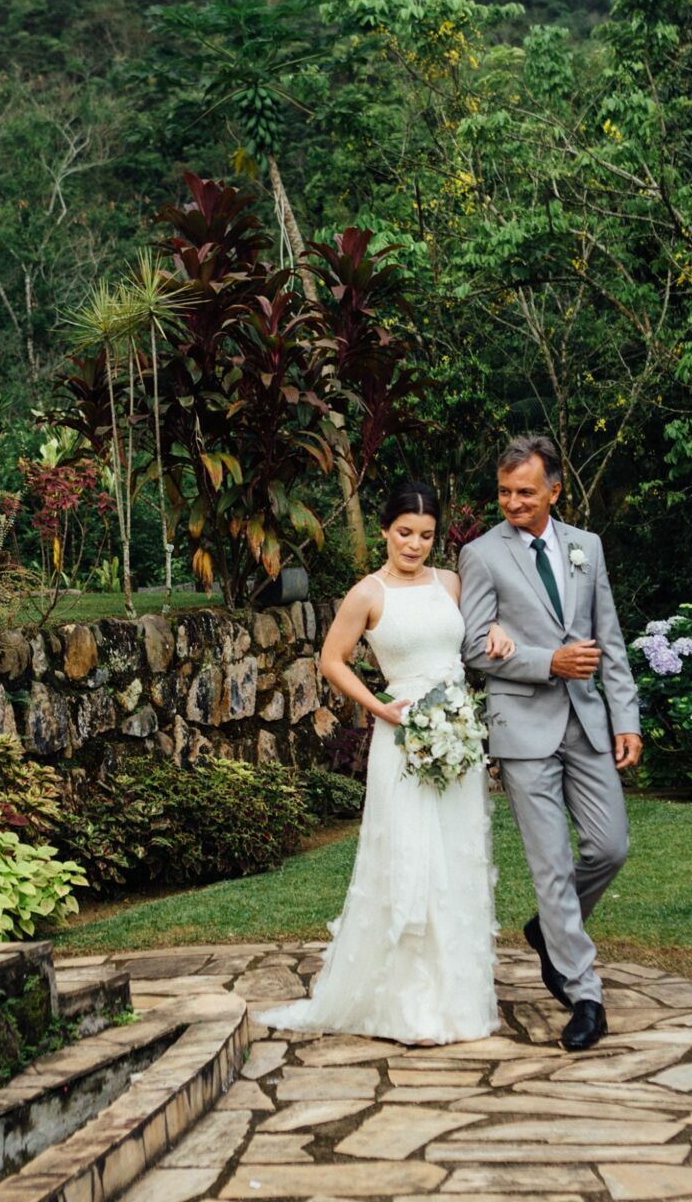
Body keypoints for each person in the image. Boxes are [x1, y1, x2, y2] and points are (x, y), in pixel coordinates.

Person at [254, 481, 509, 1043]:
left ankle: (457, 999)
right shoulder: (367, 594)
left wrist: (494, 630)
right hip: (402, 740)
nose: (414, 545)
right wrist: (379, 709)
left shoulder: (453, 583)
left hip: (458, 741)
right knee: (409, 861)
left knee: (457, 859)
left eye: (425, 536)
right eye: (403, 533)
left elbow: (476, 639)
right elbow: (331, 660)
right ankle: (406, 1005)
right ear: (386, 530)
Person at [458, 434, 641, 1052]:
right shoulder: (481, 555)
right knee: (552, 865)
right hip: (524, 731)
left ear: (554, 491)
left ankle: (549, 932)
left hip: (588, 725)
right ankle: (583, 992)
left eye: (525, 493)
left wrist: (627, 719)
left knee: (610, 846)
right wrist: (547, 662)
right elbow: (475, 647)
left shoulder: (587, 547)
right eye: (505, 492)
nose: (512, 502)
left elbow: (608, 640)